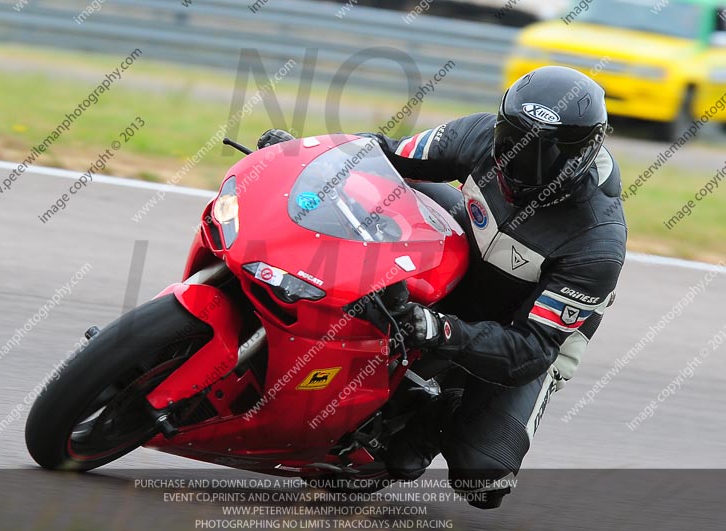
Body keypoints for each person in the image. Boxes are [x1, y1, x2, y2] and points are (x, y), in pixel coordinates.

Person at [257, 66, 627, 509]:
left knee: (484, 478)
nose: (524, 164)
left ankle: (446, 406)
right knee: (380, 193)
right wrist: (306, 154)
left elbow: (532, 349)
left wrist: (440, 330)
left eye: (550, 154)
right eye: (513, 142)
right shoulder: (477, 134)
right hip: (463, 255)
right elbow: (383, 152)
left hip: (524, 329)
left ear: (584, 155)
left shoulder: (597, 242)